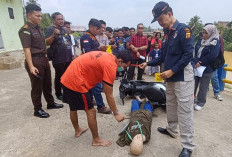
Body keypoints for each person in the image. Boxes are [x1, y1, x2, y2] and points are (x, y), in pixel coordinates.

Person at [140, 2, 195, 156]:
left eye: (160, 19)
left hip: (182, 76)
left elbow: (188, 55)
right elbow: (164, 56)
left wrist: (172, 70)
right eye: (157, 20)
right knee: (170, 104)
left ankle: (188, 146)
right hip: (170, 76)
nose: (159, 22)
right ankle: (171, 129)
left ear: (169, 14)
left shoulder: (184, 30)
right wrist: (148, 63)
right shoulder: (166, 33)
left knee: (184, 110)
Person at [60, 50, 132, 147]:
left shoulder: (108, 56)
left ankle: (77, 130)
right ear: (119, 61)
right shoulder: (111, 65)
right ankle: (96, 140)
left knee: (73, 107)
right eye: (124, 66)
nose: (122, 68)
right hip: (77, 82)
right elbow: (108, 94)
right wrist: (116, 113)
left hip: (68, 77)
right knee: (91, 111)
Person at [18, 4, 63, 118]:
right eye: (37, 16)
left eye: (41, 16)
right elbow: (27, 50)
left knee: (47, 83)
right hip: (35, 60)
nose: (40, 18)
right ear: (29, 15)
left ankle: (50, 103)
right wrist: (31, 66)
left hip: (44, 59)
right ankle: (37, 109)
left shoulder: (38, 28)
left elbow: (45, 43)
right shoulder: (25, 30)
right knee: (37, 86)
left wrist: (53, 36)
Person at [80, 18, 111, 114]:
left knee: (90, 86)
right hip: (90, 66)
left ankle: (90, 101)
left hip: (95, 65)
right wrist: (99, 49)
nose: (99, 31)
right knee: (97, 87)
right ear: (92, 27)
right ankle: (101, 107)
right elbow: (87, 52)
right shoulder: (86, 37)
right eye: (98, 29)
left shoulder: (93, 37)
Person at [45, 12, 73, 101]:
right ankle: (58, 93)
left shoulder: (64, 29)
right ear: (54, 20)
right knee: (59, 76)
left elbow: (68, 42)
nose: (61, 21)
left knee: (67, 76)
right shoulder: (50, 29)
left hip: (67, 57)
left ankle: (67, 92)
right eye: (58, 19)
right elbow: (47, 42)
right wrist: (54, 35)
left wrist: (71, 55)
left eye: (62, 19)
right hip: (58, 58)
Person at [193, 25, 220, 111]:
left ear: (211, 33)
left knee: (203, 86)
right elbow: (194, 51)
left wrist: (201, 62)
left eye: (206, 33)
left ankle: (200, 102)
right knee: (192, 84)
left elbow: (213, 55)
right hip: (196, 66)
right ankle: (191, 99)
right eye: (203, 33)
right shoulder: (200, 40)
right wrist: (196, 61)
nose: (204, 35)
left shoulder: (215, 42)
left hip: (207, 68)